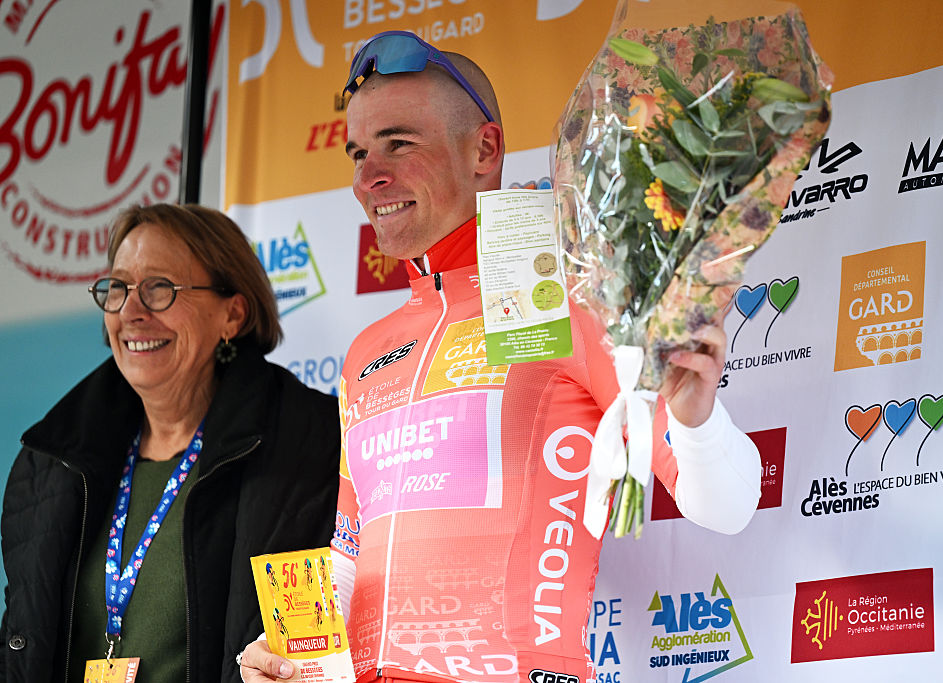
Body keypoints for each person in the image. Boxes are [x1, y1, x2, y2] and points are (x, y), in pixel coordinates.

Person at [241, 31, 761, 683]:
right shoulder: (366, 352)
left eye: (399, 143)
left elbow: (727, 503)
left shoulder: (574, 299)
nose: (370, 176)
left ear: (484, 148)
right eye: (359, 153)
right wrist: (290, 649)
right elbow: (349, 555)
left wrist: (694, 414)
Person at [1, 204, 340, 682]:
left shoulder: (307, 443)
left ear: (233, 314)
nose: (131, 312)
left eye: (160, 289)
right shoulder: (51, 463)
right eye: (118, 289)